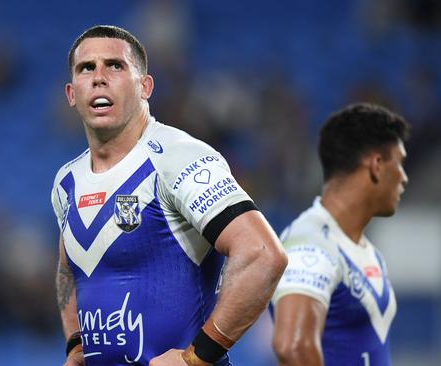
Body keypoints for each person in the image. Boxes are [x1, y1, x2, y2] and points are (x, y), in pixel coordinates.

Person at [51, 25, 288, 366]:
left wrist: (198, 357)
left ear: (145, 86)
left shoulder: (178, 158)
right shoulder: (66, 182)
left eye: (115, 66)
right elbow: (69, 270)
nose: (99, 77)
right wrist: (75, 346)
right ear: (72, 93)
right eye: (87, 68)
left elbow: (263, 254)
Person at [271, 103, 410, 366]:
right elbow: (293, 346)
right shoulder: (310, 242)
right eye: (400, 163)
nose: (404, 177)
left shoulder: (364, 250)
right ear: (376, 165)